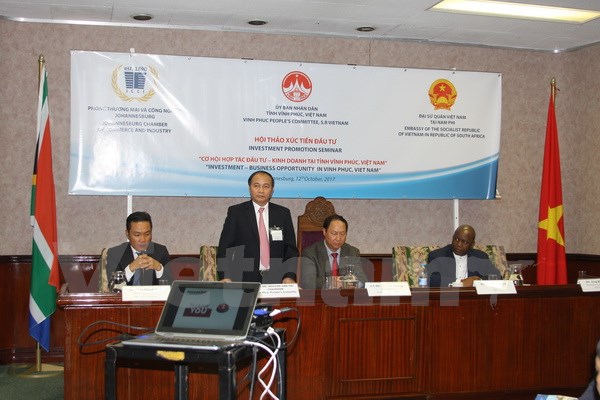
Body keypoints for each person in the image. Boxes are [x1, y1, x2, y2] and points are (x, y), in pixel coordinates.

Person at [217, 170, 298, 284]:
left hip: (277, 279)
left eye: (266, 186)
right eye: (256, 186)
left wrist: (289, 276)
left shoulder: (283, 213)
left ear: (272, 190)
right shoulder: (236, 212)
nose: (261, 190)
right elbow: (224, 248)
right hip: (243, 279)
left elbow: (291, 250)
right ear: (249, 188)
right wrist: (225, 276)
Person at [300, 214, 367, 289]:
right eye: (334, 233)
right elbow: (307, 282)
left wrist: (354, 283)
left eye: (342, 234)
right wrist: (329, 282)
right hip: (320, 295)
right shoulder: (310, 253)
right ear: (324, 232)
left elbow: (363, 280)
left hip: (346, 295)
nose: (338, 238)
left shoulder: (352, 252)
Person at [106, 211, 170, 286]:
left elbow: (171, 286)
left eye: (147, 234)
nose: (142, 239)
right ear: (127, 234)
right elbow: (113, 286)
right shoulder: (115, 254)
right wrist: (130, 268)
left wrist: (159, 268)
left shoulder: (161, 252)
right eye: (137, 235)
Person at [426, 224, 500, 287]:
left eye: (464, 242)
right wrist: (460, 282)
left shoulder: (480, 257)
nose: (459, 244)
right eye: (456, 239)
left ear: (472, 244)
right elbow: (432, 279)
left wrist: (477, 281)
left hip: (473, 297)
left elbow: (496, 275)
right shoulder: (437, 256)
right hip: (447, 297)